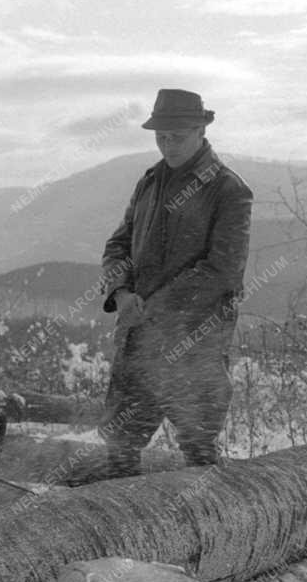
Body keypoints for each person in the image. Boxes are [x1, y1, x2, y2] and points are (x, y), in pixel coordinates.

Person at [99, 89, 252, 476]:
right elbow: (118, 244)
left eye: (177, 137)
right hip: (138, 335)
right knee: (121, 442)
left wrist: (154, 307)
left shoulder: (229, 190)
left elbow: (223, 270)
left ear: (201, 130)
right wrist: (120, 292)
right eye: (160, 137)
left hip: (195, 337)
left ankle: (214, 526)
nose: (167, 145)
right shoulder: (149, 183)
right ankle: (123, 527)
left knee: (198, 446)